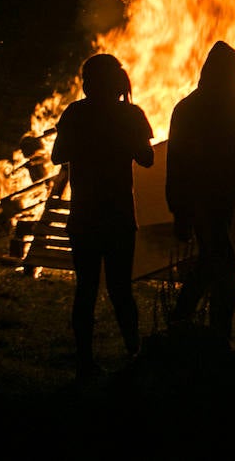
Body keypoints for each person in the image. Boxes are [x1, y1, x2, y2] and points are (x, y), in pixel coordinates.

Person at [49, 53, 155, 379]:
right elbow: (148, 158)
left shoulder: (76, 113)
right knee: (121, 288)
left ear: (87, 84)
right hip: (119, 214)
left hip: (85, 215)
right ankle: (133, 353)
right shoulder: (131, 114)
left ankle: (85, 361)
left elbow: (57, 156)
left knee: (87, 289)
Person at [166, 40, 235, 341]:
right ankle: (215, 333)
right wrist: (180, 210)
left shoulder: (201, 106)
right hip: (203, 198)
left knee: (210, 263)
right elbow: (178, 161)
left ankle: (182, 322)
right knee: (223, 268)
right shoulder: (192, 109)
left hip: (220, 197)